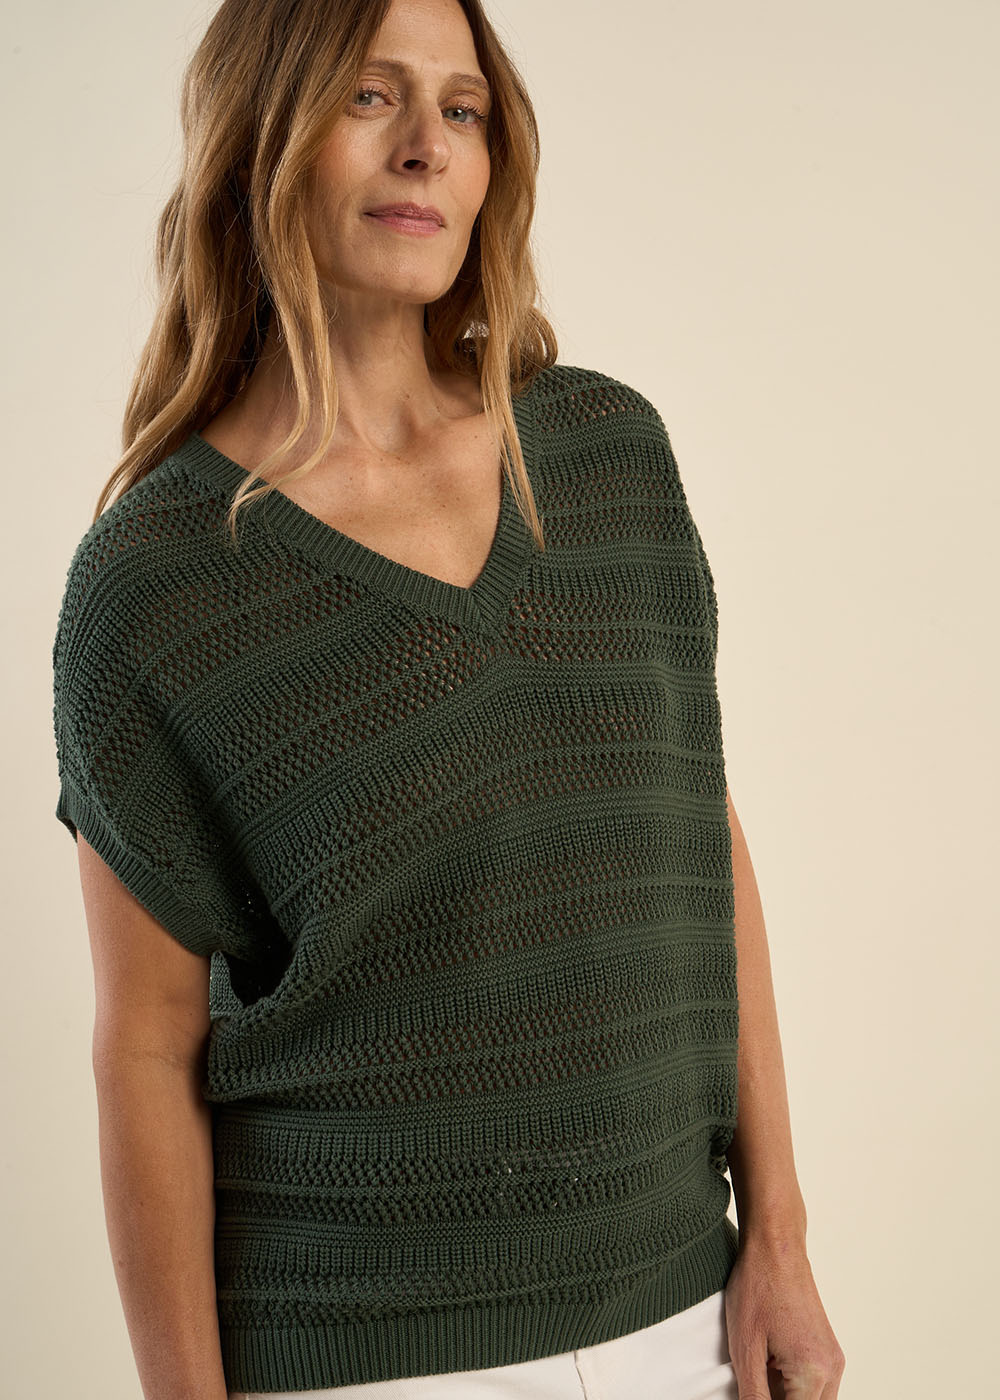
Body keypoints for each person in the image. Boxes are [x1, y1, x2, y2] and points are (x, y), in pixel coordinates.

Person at [51, 1, 846, 1398]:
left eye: (462, 108)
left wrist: (777, 1235)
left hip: (685, 1316)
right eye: (370, 97)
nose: (426, 145)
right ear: (261, 137)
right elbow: (147, 1050)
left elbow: (698, 847)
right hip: (366, 1355)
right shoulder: (158, 580)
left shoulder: (604, 456)